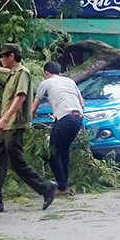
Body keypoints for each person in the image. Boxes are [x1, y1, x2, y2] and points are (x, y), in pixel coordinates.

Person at [0, 43, 57, 212]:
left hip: (14, 124)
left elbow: (20, 97)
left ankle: (46, 188)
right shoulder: (12, 74)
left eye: (2, 56)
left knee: (16, 162)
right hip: (6, 124)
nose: (0, 59)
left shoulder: (23, 73)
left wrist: (4, 119)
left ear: (11, 56)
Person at [31, 61, 84, 197]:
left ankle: (62, 187)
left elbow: (34, 106)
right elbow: (82, 104)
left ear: (46, 73)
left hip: (65, 119)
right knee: (64, 149)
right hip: (78, 118)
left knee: (52, 152)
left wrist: (28, 121)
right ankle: (64, 184)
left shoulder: (45, 83)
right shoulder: (70, 81)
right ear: (59, 73)